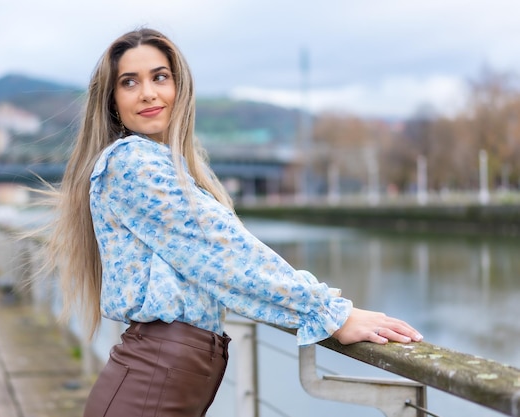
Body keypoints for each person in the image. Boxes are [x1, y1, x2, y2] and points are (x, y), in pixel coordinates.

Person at [46, 28, 423, 417]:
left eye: (160, 77)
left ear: (180, 87)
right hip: (147, 388)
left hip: (156, 386)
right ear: (112, 101)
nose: (147, 93)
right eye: (129, 82)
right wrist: (329, 313)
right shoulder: (131, 163)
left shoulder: (162, 164)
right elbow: (227, 255)